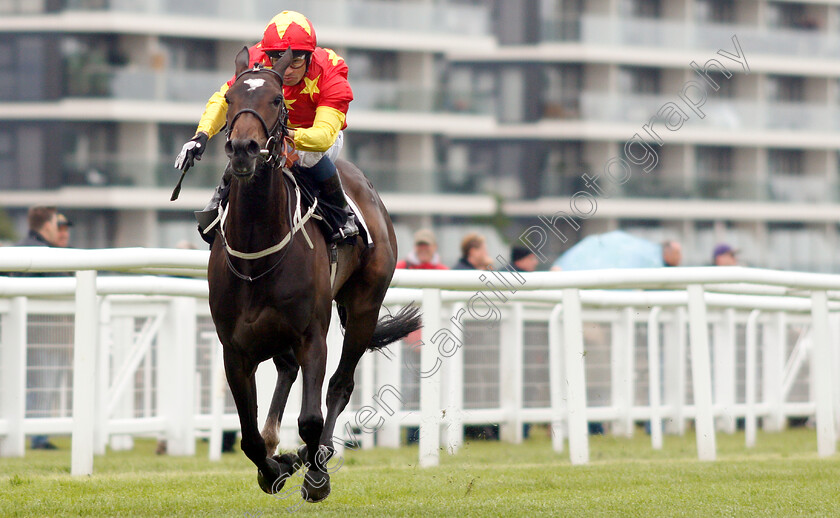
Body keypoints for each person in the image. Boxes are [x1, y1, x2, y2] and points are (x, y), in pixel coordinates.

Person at [175, 10, 357, 245]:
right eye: (278, 59)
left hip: (311, 134)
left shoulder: (330, 73)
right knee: (243, 150)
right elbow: (225, 97)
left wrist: (285, 135)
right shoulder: (256, 61)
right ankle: (218, 204)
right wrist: (201, 135)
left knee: (308, 156)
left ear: (310, 58)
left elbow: (323, 137)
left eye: (296, 61)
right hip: (269, 132)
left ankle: (342, 213)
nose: (287, 70)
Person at [13, 207, 63, 450]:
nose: (58, 229)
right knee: (43, 386)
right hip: (42, 334)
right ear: (46, 226)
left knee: (16, 384)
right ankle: (38, 437)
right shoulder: (47, 254)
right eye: (56, 224)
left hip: (13, 332)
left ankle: (15, 433)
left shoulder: (14, 251)